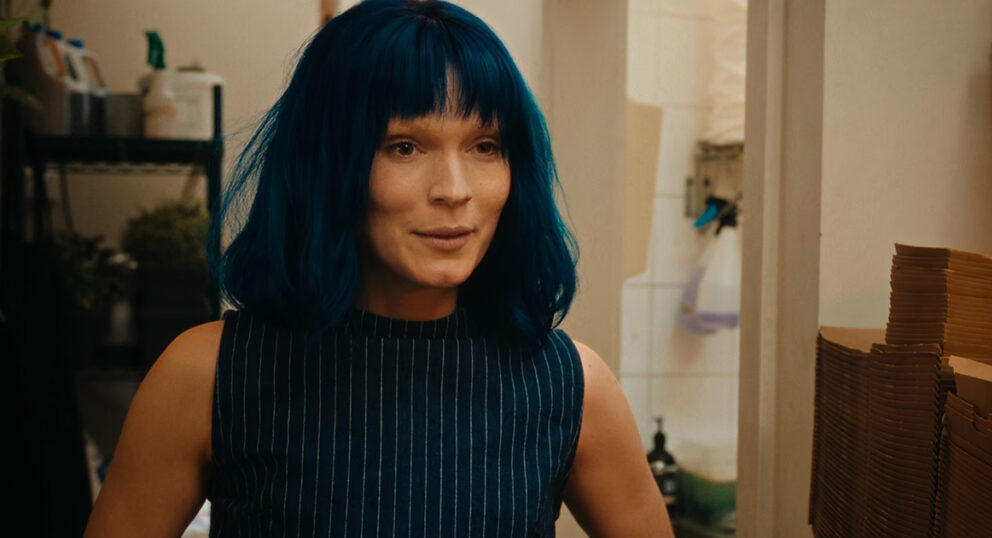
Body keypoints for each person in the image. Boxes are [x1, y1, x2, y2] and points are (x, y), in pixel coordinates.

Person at [84, 1, 672, 536]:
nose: (454, 190)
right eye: (404, 147)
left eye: (485, 146)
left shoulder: (570, 385)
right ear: (327, 164)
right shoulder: (207, 375)